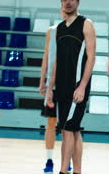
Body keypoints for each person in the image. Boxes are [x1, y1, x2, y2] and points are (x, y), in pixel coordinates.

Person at [47, 0, 96, 174]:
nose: (68, 2)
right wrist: (50, 88)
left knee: (68, 128)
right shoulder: (58, 29)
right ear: (61, 4)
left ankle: (63, 170)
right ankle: (77, 171)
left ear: (78, 2)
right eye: (64, 0)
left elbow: (91, 58)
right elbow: (55, 61)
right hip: (61, 86)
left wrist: (82, 86)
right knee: (73, 130)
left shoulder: (86, 24)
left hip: (77, 86)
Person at [38, 10, 71, 174]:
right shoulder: (51, 31)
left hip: (69, 84)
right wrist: (42, 80)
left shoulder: (77, 32)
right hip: (53, 85)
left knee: (68, 126)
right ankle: (49, 159)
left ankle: (68, 160)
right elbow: (46, 56)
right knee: (51, 123)